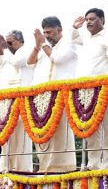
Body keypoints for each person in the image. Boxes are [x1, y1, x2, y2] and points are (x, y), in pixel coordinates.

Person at [27, 16, 77, 172]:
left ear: (59, 30)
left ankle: (62, 168)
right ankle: (44, 167)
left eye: (49, 32)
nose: (47, 35)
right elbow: (29, 63)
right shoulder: (44, 47)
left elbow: (58, 59)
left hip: (61, 96)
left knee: (61, 131)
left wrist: (42, 44)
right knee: (43, 131)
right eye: (44, 33)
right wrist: (37, 46)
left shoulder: (70, 44)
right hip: (42, 98)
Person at [72, 8, 108, 169]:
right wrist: (74, 27)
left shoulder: (106, 37)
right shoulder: (87, 38)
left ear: (102, 20)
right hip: (86, 91)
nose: (89, 22)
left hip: (103, 89)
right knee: (91, 128)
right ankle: (94, 163)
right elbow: (74, 39)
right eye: (87, 20)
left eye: (92, 19)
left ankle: (105, 163)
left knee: (106, 126)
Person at [0, 30, 33, 173]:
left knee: (21, 136)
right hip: (5, 102)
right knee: (7, 135)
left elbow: (16, 62)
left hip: (21, 100)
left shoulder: (26, 51)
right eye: (6, 42)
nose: (8, 45)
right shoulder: (7, 54)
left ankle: (23, 169)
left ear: (20, 41)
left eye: (11, 43)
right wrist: (0, 50)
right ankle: (5, 167)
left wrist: (5, 49)